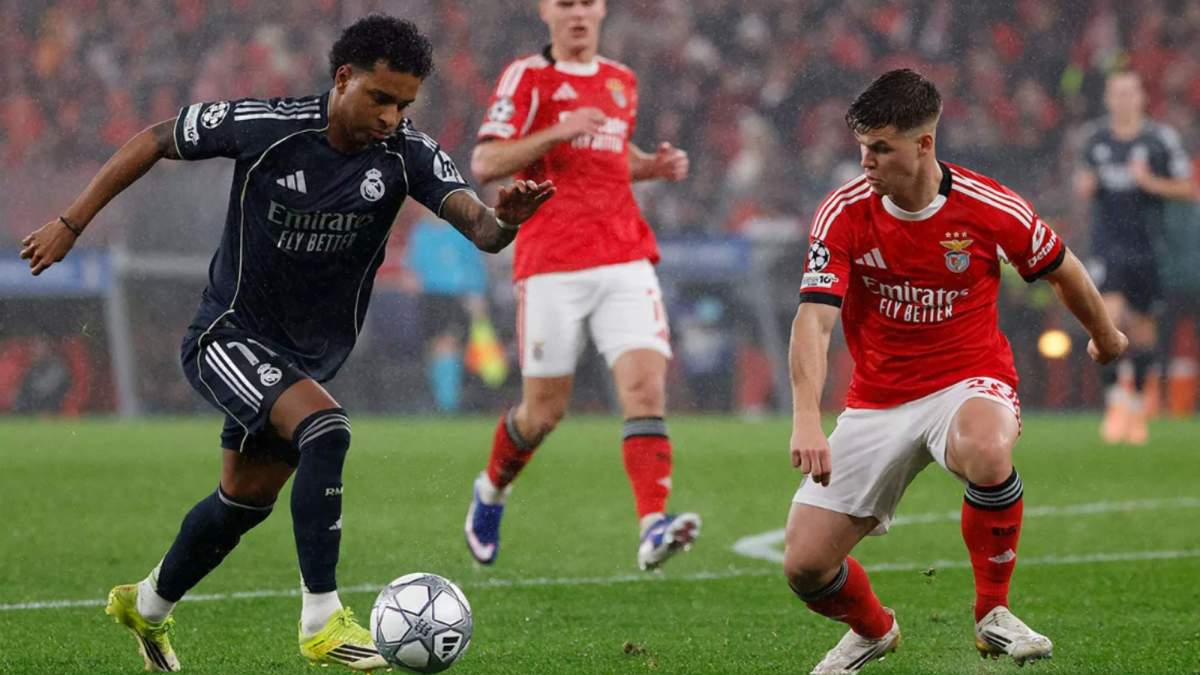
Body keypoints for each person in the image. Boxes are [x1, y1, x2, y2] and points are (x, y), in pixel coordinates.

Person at [19, 15, 553, 672]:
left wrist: (504, 219)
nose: (392, 116)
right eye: (381, 98)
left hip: (302, 357)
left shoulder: (405, 154)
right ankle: (322, 619)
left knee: (243, 499)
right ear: (343, 78)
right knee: (326, 428)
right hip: (228, 334)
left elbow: (479, 224)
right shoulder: (269, 127)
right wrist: (72, 222)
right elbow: (157, 138)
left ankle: (147, 604)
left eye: (404, 104)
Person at [784, 69, 1127, 673]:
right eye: (862, 147)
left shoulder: (987, 206)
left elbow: (1062, 267)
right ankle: (872, 631)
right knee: (806, 567)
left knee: (988, 451)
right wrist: (806, 419)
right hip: (877, 400)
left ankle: (992, 614)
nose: (866, 162)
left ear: (924, 143)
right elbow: (814, 321)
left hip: (967, 381)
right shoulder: (842, 213)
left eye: (881, 148)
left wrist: (1104, 335)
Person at [463, 0, 698, 572]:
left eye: (587, 3)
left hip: (624, 255)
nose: (577, 14)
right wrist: (558, 130)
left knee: (645, 389)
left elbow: (610, 158)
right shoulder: (528, 78)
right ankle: (491, 491)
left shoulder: (621, 80)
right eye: (565, 3)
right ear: (546, 11)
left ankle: (652, 526)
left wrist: (653, 166)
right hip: (551, 263)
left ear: (602, 10)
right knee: (542, 414)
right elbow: (486, 161)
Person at [1074, 70, 1195, 445]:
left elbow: (1187, 187)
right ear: (1108, 99)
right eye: (1117, 93)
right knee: (1107, 321)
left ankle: (1138, 404)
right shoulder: (1095, 140)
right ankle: (1116, 403)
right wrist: (1085, 186)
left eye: (1130, 92)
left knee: (1142, 331)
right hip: (1108, 247)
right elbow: (1083, 183)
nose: (1124, 99)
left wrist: (1150, 183)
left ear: (1142, 97)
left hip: (1148, 248)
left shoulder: (1159, 140)